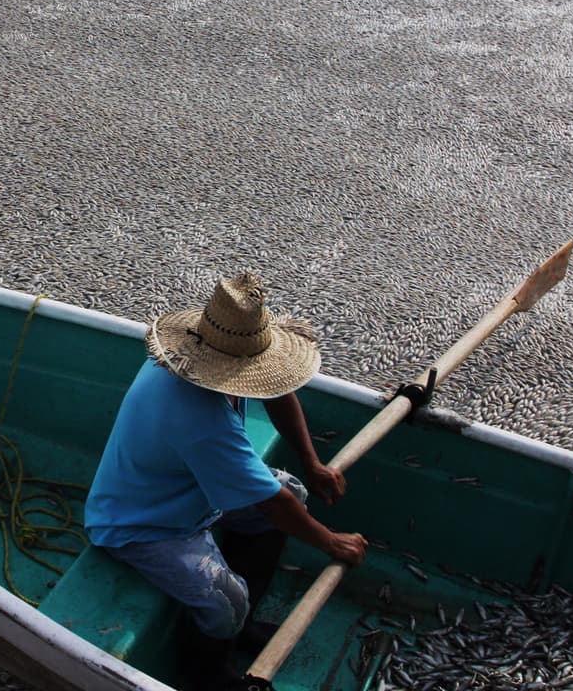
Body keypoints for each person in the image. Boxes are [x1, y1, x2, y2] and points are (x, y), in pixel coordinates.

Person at [84, 272, 368, 691]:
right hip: (141, 523)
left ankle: (242, 625)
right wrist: (331, 542)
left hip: (191, 490)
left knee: (296, 490)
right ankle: (207, 670)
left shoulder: (187, 358)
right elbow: (272, 504)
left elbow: (278, 391)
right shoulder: (200, 419)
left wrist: (312, 462)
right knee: (227, 600)